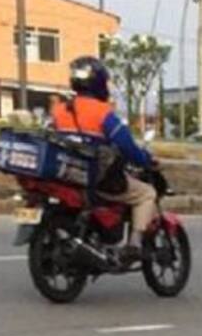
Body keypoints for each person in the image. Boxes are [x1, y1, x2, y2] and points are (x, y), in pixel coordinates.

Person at [50, 56, 157, 264]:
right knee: (146, 193)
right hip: (95, 180)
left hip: (63, 175)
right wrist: (145, 159)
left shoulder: (59, 111)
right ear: (99, 82)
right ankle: (134, 244)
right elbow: (127, 146)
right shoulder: (103, 113)